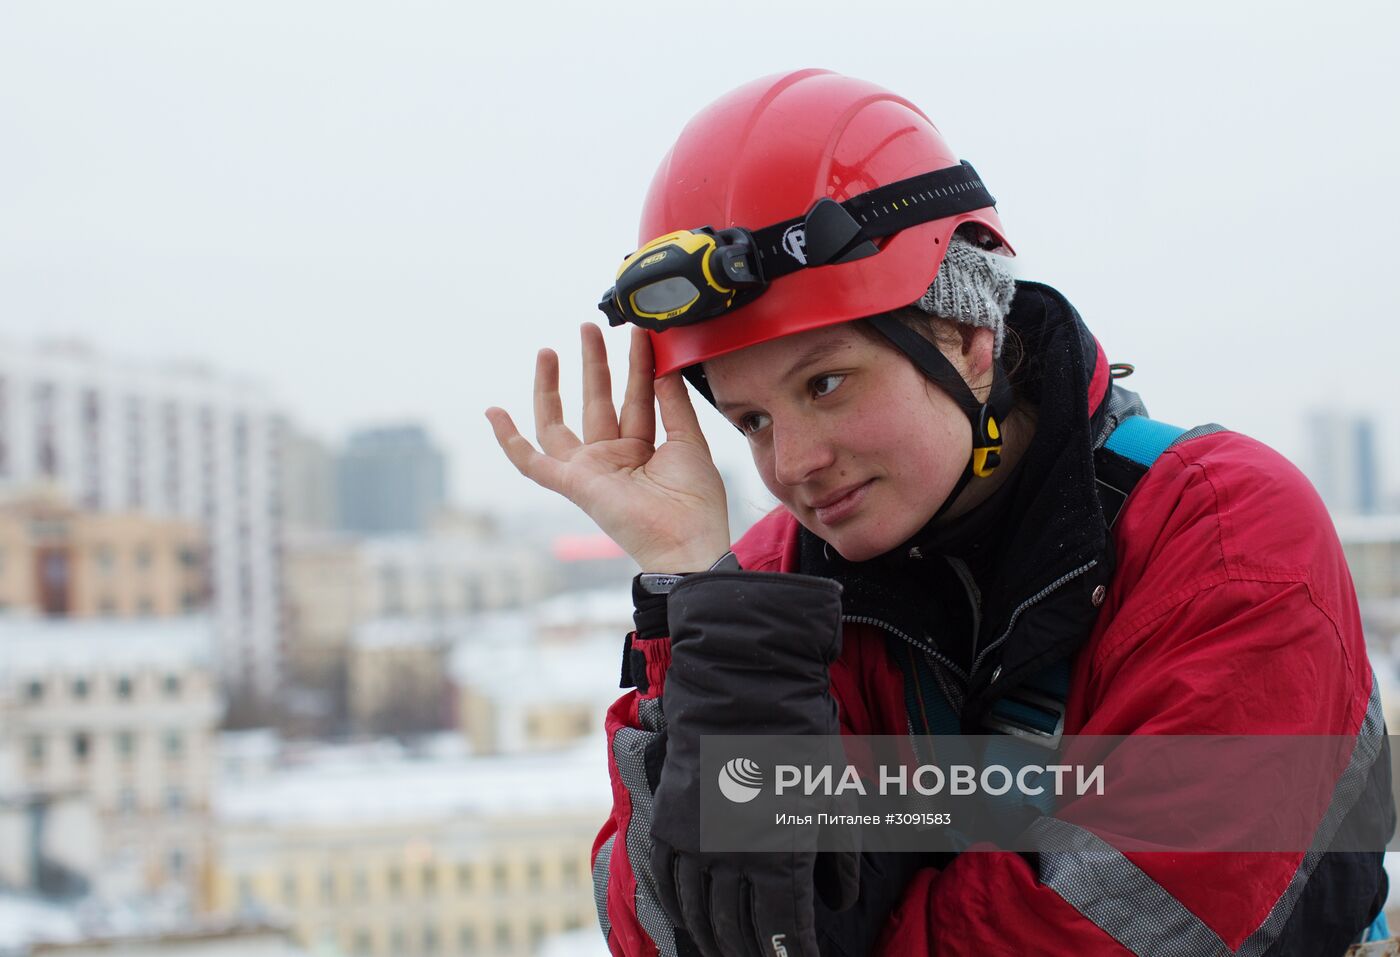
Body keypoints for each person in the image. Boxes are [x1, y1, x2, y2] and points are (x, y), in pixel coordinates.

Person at [485, 69, 1391, 956]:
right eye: (752, 419)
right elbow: (681, 934)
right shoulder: (761, 602)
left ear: (967, 337)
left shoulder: (1225, 538)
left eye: (826, 383)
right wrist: (694, 603)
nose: (792, 465)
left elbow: (1108, 933)